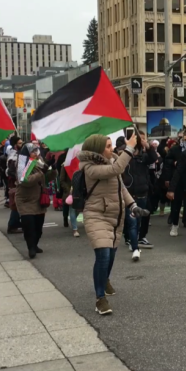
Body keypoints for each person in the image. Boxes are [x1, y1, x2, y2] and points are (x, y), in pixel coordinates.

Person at [78, 133, 149, 315]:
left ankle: (105, 279)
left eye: (111, 145)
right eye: (108, 146)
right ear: (97, 149)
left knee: (110, 255)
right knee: (102, 255)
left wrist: (133, 206)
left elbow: (121, 188)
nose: (112, 149)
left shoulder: (112, 162)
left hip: (115, 216)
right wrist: (130, 148)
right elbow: (116, 170)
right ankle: (100, 298)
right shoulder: (89, 167)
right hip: (96, 215)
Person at [15, 143, 57, 259]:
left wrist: (53, 168)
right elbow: (25, 181)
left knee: (38, 228)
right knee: (29, 227)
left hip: (39, 200)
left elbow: (47, 178)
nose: (36, 153)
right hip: (25, 200)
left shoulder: (40, 162)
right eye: (33, 151)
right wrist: (41, 173)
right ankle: (31, 248)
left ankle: (35, 244)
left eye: (37, 150)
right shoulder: (22, 164)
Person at [120, 132, 158, 260]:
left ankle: (135, 239)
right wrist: (128, 148)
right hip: (130, 195)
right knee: (132, 222)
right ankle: (135, 247)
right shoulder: (124, 155)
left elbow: (154, 158)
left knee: (139, 220)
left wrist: (147, 145)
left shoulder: (144, 156)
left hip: (142, 193)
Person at [163, 130, 186, 237]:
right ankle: (174, 225)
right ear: (182, 139)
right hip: (178, 180)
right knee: (176, 204)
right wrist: (174, 163)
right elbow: (167, 162)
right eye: (185, 140)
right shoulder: (175, 149)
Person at [57, 154, 79, 237]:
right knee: (72, 209)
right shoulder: (65, 165)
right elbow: (61, 180)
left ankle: (73, 221)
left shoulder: (80, 164)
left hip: (79, 191)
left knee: (78, 209)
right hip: (70, 191)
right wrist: (68, 189)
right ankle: (75, 229)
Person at [5, 136, 24, 234]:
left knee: (18, 204)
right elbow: (11, 171)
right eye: (20, 143)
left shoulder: (18, 154)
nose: (22, 145)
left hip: (18, 183)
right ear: (15, 145)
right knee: (16, 204)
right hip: (15, 184)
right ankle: (12, 225)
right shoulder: (13, 156)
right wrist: (19, 177)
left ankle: (16, 223)